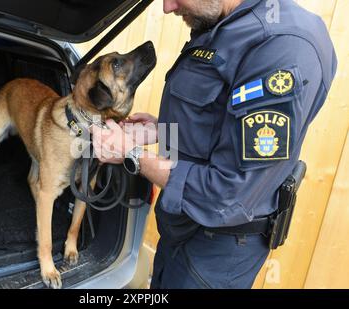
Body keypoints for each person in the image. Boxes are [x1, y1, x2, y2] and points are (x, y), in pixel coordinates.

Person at [90, 0, 337, 289]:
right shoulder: (222, 23)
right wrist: (162, 129)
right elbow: (217, 125)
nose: (168, 8)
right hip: (183, 230)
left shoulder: (282, 48)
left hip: (214, 254)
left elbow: (228, 193)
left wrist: (131, 154)